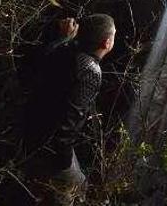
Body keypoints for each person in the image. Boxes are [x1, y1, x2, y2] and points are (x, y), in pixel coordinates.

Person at [22, 15, 116, 205]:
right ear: (106, 43)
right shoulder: (90, 70)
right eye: (114, 35)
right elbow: (69, 123)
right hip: (48, 144)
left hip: (28, 125)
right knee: (77, 187)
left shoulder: (65, 49)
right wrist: (63, 162)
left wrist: (64, 38)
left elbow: (35, 64)